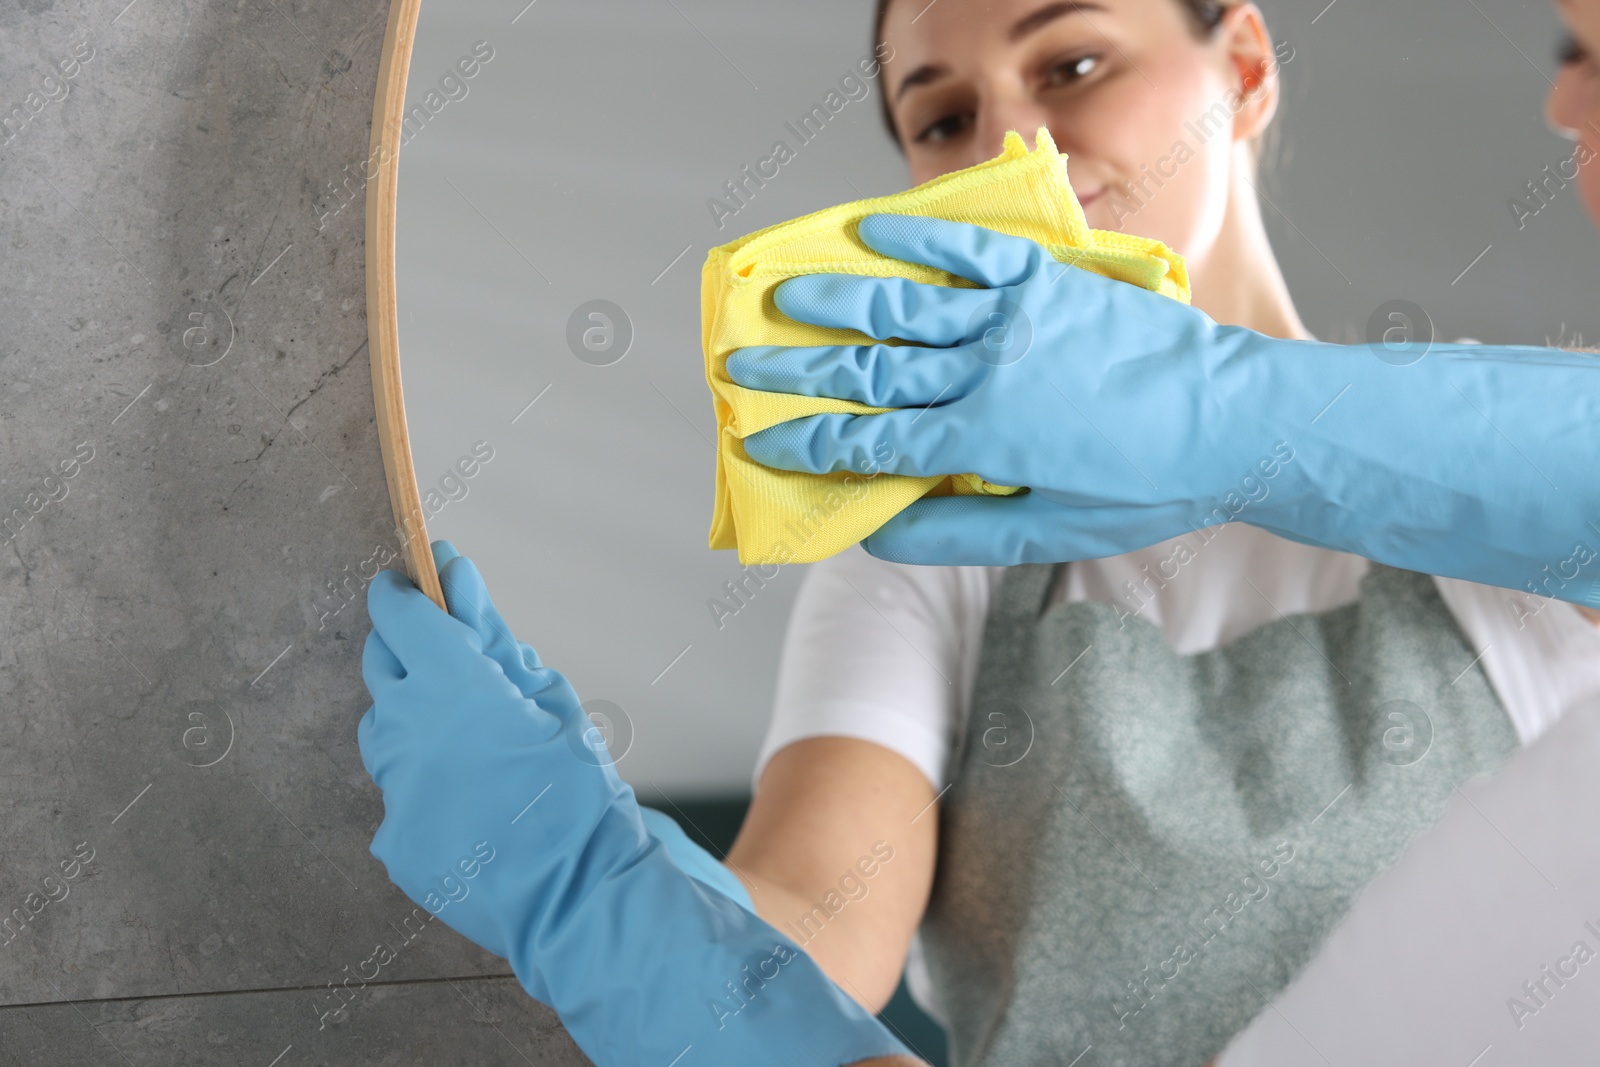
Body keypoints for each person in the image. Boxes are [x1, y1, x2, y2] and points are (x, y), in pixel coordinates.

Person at [355, 2, 1600, 1066]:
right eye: (943, 118)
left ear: (1245, 68)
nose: (1013, 143)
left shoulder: (1499, 489)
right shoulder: (934, 557)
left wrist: (1216, 414)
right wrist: (602, 874)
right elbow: (810, 931)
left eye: (1072, 65)